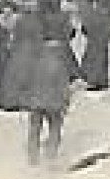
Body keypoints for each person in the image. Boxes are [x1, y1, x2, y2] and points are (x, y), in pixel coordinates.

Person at [25, 33, 74, 166]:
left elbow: (28, 82)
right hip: (53, 104)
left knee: (34, 129)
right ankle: (51, 154)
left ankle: (33, 156)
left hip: (36, 103)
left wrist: (28, 99)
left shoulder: (35, 64)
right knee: (55, 128)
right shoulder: (59, 66)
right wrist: (66, 102)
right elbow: (63, 86)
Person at [0, 6, 43, 111]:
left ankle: (14, 101)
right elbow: (38, 38)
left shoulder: (18, 21)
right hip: (30, 51)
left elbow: (13, 37)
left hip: (18, 51)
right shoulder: (36, 22)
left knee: (15, 77)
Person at [80, 0, 110, 89]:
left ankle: (93, 80)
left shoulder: (89, 14)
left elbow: (84, 29)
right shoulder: (104, 14)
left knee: (93, 60)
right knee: (101, 60)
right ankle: (101, 81)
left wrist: (90, 35)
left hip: (94, 41)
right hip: (100, 41)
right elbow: (109, 28)